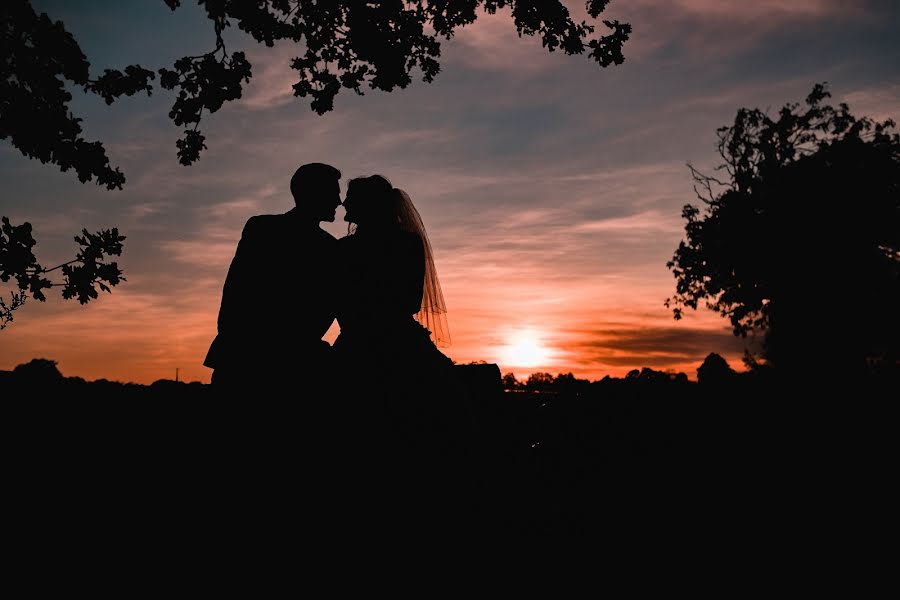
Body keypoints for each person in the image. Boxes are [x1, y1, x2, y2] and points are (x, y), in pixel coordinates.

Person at [334, 174, 474, 537]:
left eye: (350, 199)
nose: (343, 206)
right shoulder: (403, 244)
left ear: (365, 206)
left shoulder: (346, 250)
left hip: (364, 346)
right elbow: (410, 300)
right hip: (393, 340)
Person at [203, 162, 342, 391]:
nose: (338, 201)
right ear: (313, 193)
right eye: (333, 193)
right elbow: (237, 289)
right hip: (249, 359)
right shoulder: (263, 229)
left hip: (289, 362)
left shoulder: (327, 246)